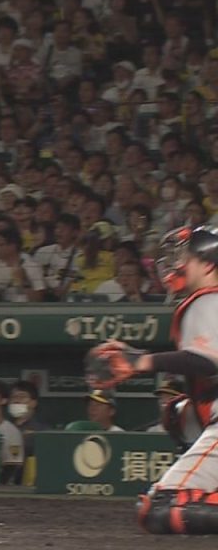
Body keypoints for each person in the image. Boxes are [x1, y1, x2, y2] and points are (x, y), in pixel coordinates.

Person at [94, 227, 218, 534]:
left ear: (209, 264)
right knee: (179, 414)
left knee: (164, 507)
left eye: (184, 256)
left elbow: (207, 360)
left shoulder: (207, 299)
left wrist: (141, 362)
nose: (174, 263)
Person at [8, 380, 49, 483]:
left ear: (33, 403)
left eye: (22, 397)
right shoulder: (5, 427)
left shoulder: (42, 431)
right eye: (14, 397)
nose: (17, 400)